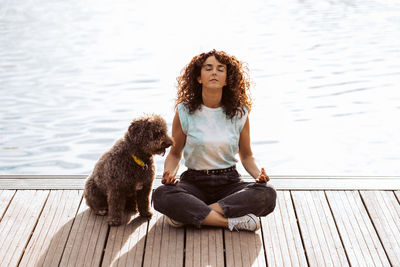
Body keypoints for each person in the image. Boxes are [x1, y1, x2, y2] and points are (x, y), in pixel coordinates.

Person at [153, 49, 276, 231]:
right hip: (194, 182)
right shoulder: (184, 111)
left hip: (229, 182)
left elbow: (247, 156)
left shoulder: (240, 113)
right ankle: (230, 221)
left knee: (268, 193)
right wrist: (169, 174)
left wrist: (258, 176)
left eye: (220, 69)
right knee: (162, 194)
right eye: (208, 68)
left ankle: (190, 215)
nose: (214, 72)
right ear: (199, 77)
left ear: (227, 79)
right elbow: (175, 154)